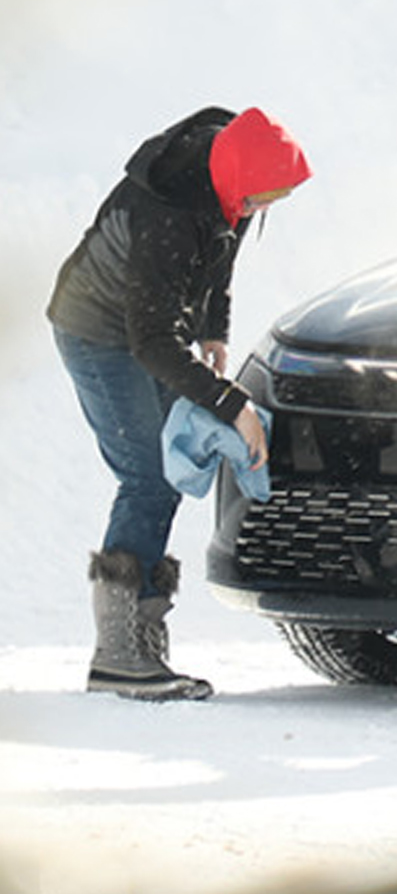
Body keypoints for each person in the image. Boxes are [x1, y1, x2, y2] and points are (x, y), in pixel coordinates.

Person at [48, 106, 312, 701]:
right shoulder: (168, 210)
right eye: (263, 197)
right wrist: (230, 404)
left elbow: (220, 263)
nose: (262, 210)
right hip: (97, 330)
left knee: (166, 473)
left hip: (145, 327)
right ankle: (118, 655)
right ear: (241, 176)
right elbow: (151, 341)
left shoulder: (231, 184)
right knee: (145, 475)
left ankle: (142, 636)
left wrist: (214, 328)